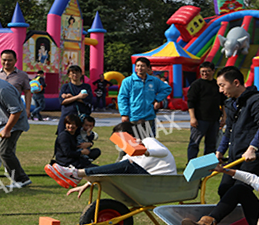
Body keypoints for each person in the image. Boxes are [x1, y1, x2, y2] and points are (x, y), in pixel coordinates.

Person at [46, 122, 177, 189]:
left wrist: (145, 150)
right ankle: (77, 175)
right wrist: (88, 183)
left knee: (126, 165)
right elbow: (113, 170)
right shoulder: (129, 156)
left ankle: (75, 173)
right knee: (120, 166)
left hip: (163, 184)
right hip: (149, 184)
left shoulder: (148, 141)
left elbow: (163, 152)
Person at [215, 66, 259, 198]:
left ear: (236, 83)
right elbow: (228, 130)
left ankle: (210, 219)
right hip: (236, 155)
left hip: (255, 156)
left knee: (238, 190)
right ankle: (247, 218)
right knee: (224, 189)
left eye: (222, 85)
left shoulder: (257, 100)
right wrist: (220, 151)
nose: (220, 90)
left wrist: (252, 148)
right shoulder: (230, 104)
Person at [0, 49, 32, 172]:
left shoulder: (22, 75)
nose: (6, 62)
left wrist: (28, 108)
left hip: (14, 114)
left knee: (8, 145)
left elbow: (28, 92)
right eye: (4, 60)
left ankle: (9, 168)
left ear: (15, 61)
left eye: (9, 60)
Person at [118, 57, 172, 137]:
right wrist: (124, 114)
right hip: (133, 116)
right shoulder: (128, 81)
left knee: (145, 142)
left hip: (148, 116)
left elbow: (167, 89)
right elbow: (122, 98)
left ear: (148, 68)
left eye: (142, 66)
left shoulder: (154, 81)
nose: (140, 68)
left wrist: (157, 99)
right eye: (138, 65)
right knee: (130, 143)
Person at [187, 62, 227, 162]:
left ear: (213, 71)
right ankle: (191, 162)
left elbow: (224, 102)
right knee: (194, 143)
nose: (205, 73)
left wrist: (224, 117)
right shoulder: (196, 85)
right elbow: (190, 103)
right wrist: (193, 118)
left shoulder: (217, 85)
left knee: (211, 144)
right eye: (203, 71)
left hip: (214, 120)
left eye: (208, 71)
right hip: (200, 119)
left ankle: (208, 165)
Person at [58, 65, 93, 134]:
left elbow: (89, 100)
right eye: (73, 73)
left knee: (81, 139)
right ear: (69, 75)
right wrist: (78, 97)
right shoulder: (65, 87)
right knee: (63, 138)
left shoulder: (86, 87)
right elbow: (62, 101)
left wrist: (71, 97)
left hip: (81, 118)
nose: (75, 75)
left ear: (81, 74)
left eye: (77, 72)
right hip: (67, 117)